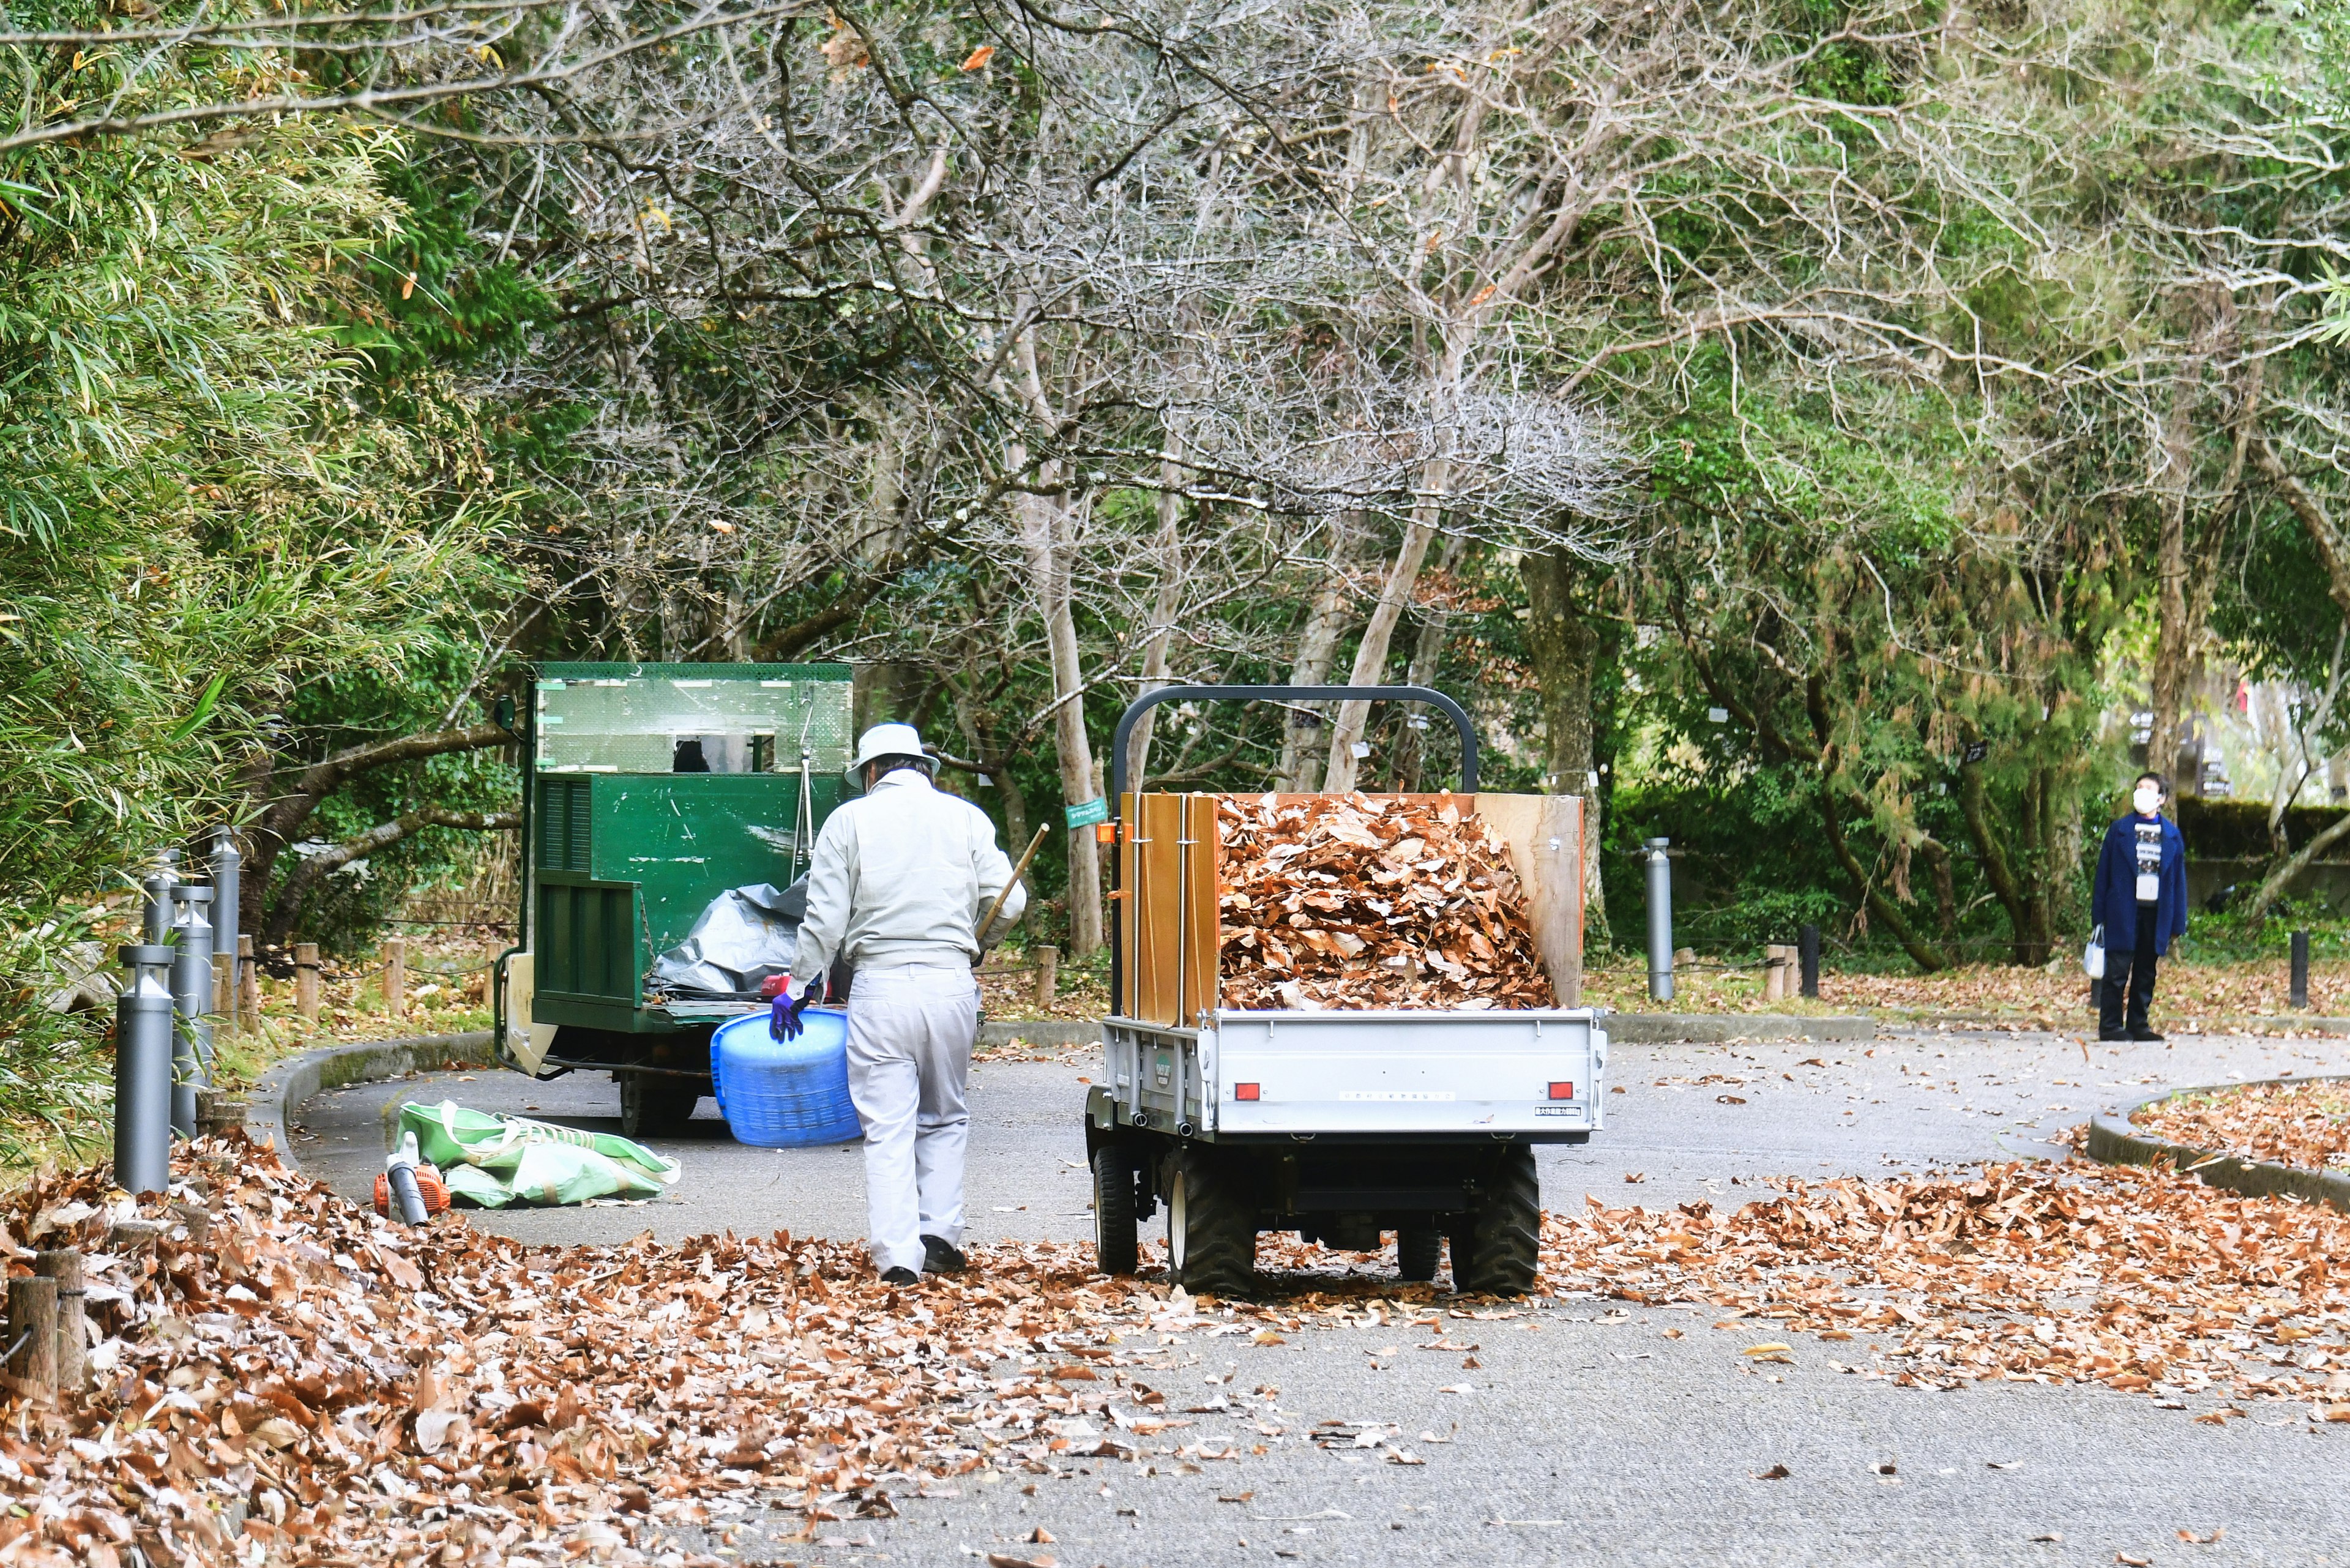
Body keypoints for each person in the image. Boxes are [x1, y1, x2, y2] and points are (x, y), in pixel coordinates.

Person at [777, 723, 1026, 1285]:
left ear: (871, 772)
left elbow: (825, 920)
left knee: (889, 1127)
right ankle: (939, 1236)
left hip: (881, 986)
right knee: (944, 1116)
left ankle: (898, 1260)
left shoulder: (849, 822)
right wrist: (978, 943)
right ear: (923, 768)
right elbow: (1012, 901)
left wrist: (797, 986)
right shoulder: (966, 817)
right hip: (950, 981)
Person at [2089, 771, 2188, 1042]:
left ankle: (2138, 1024)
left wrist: (2178, 922)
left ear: (2161, 798)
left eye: (2148, 788)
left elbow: (2178, 882)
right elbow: (2103, 876)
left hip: (2156, 913)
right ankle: (2110, 1025)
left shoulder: (2172, 836)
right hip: (2122, 910)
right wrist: (2098, 915)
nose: (2141, 792)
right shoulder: (2119, 831)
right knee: (2117, 970)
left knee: (2146, 970)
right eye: (2138, 787)